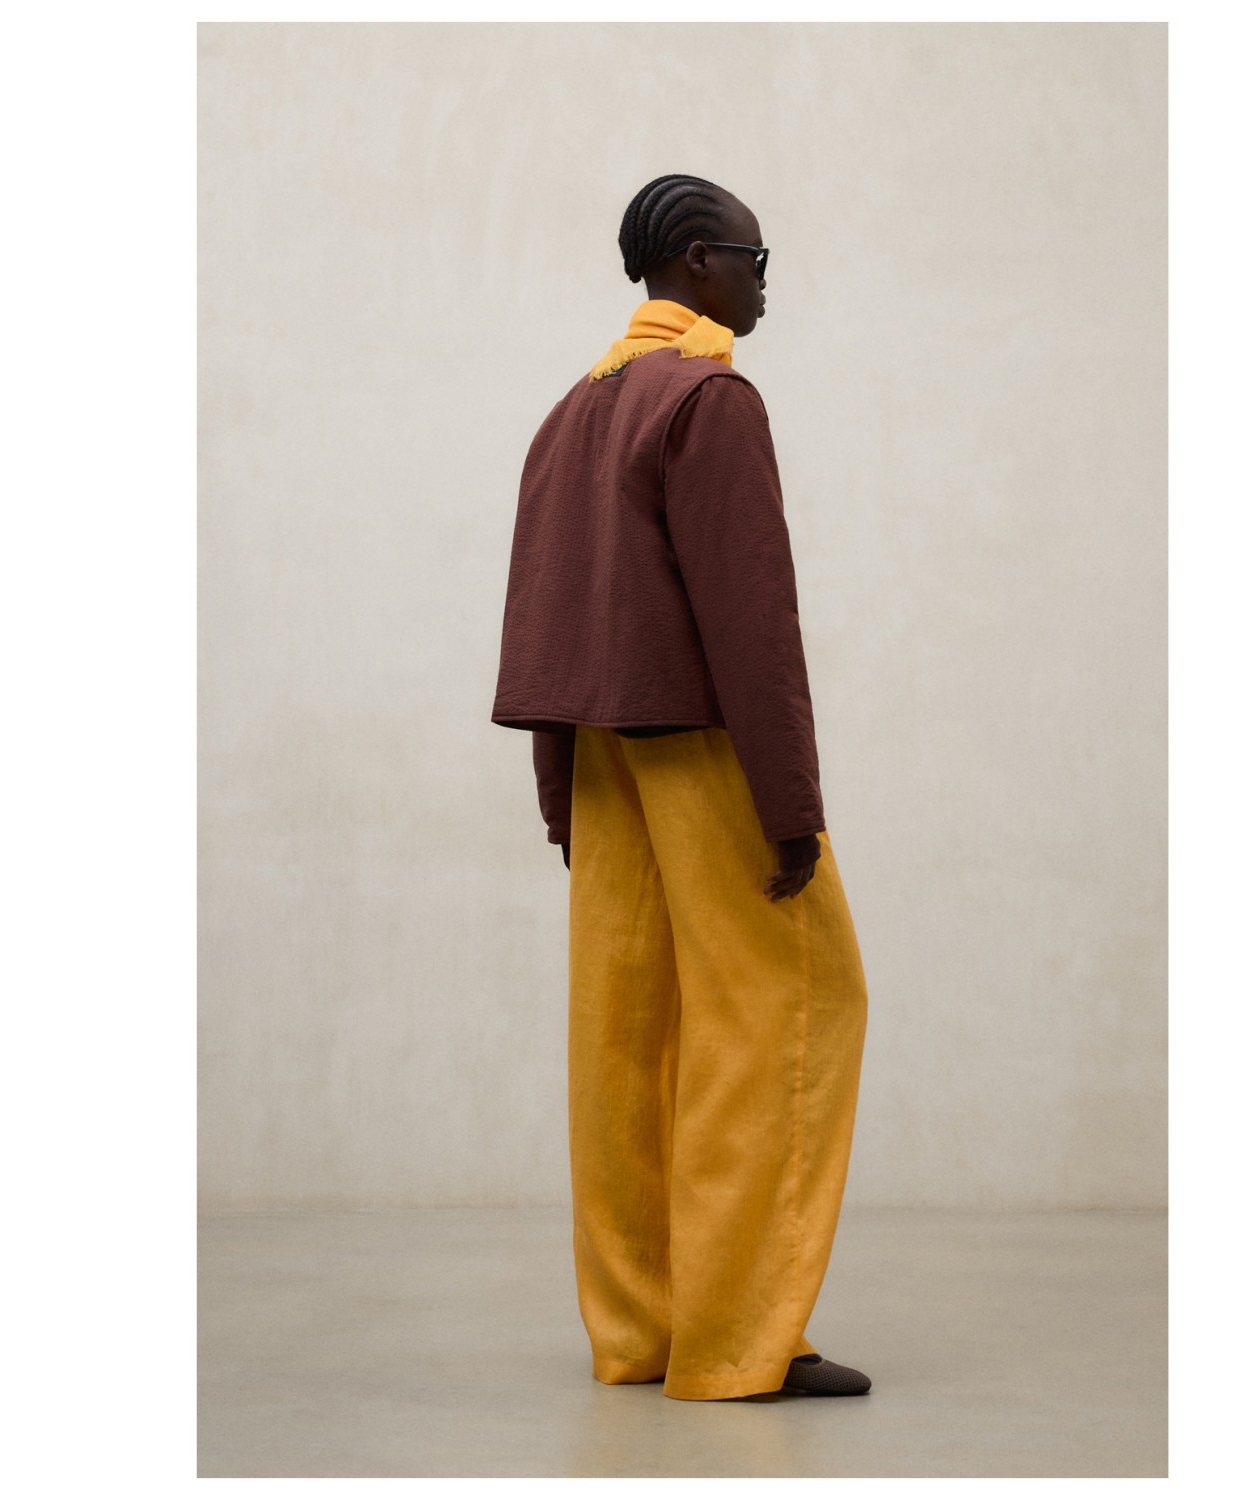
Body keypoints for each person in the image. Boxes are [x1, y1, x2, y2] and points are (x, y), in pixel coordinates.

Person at [491, 174, 871, 1400]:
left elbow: (548, 609)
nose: (764, 286)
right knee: (789, 1009)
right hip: (703, 745)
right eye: (756, 261)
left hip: (604, 756)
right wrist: (792, 806)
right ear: (698, 261)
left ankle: (639, 1332)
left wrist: (557, 787)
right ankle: (738, 1337)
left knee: (625, 1033)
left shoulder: (575, 407)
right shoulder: (710, 398)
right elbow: (752, 621)